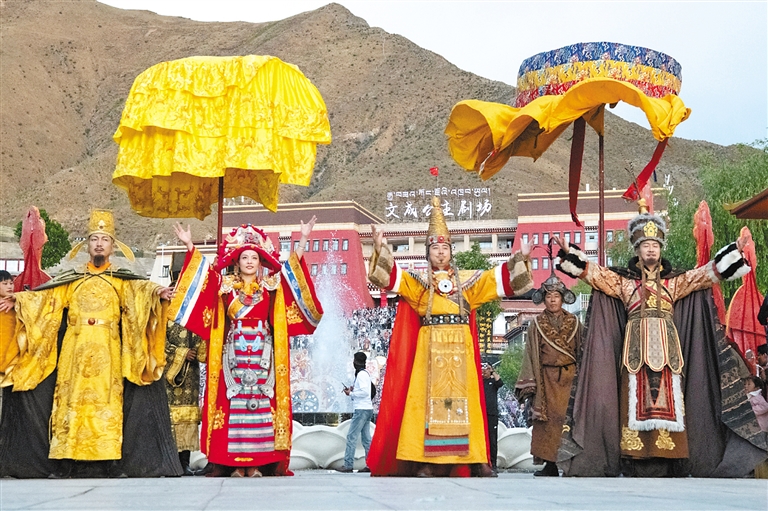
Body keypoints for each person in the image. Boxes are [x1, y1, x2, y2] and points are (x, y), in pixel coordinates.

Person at [555, 199, 767, 477]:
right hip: (634, 352)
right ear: (637, 249)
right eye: (645, 245)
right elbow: (595, 274)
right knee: (632, 397)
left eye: (655, 245)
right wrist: (571, 255)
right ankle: (633, 457)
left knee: (671, 396)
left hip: (669, 353)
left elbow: (705, 275)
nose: (651, 249)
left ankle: (670, 457)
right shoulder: (624, 283)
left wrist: (733, 253)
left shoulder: (674, 283)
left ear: (661, 248)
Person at [0, 209, 180, 478]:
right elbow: (46, 299)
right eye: (94, 239)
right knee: (71, 402)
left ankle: (108, 460)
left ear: (112, 246)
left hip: (109, 349)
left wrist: (158, 293)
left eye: (104, 240)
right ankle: (68, 460)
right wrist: (20, 300)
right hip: (74, 350)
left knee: (107, 401)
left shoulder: (121, 279)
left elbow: (141, 291)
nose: (99, 244)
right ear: (86, 245)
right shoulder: (72, 278)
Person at [366, 196, 533, 477]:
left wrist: (520, 258)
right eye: (435, 248)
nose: (441, 253)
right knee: (425, 404)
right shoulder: (419, 282)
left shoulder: (468, 281)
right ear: (427, 253)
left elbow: (496, 281)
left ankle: (476, 458)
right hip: (429, 350)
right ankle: (427, 461)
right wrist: (380, 247)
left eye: (445, 248)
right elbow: (390, 278)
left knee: (468, 404)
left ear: (451, 251)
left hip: (460, 348)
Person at [170, 218, 322, 477]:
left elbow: (291, 273)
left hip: (263, 353)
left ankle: (256, 463)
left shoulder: (271, 286)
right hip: (233, 355)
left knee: (260, 403)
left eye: (254, 257)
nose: (249, 261)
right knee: (234, 404)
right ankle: (236, 464)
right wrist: (189, 246)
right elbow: (204, 276)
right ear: (237, 261)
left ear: (260, 261)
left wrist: (304, 239)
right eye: (244, 257)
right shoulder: (225, 286)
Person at [515, 273, 582, 477]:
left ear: (563, 299)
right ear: (544, 300)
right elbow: (530, 354)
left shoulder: (575, 322)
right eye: (549, 296)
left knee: (571, 421)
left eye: (556, 296)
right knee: (548, 422)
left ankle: (572, 464)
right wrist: (530, 383)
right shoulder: (537, 324)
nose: (553, 300)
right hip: (546, 379)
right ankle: (550, 464)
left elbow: (583, 351)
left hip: (571, 378)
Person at [164, 319, 204, 475]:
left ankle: (184, 462)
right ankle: (170, 461)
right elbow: (158, 340)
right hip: (167, 373)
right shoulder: (164, 310)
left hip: (190, 375)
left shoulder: (191, 312)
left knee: (188, 417)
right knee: (169, 417)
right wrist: (181, 353)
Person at [337, 351, 374, 473]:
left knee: (351, 436)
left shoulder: (361, 375)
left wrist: (351, 393)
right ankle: (370, 464)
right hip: (367, 409)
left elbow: (364, 392)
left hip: (361, 409)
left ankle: (348, 465)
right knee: (366, 439)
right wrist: (353, 389)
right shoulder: (364, 374)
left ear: (356, 362)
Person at [482, 362, 504, 473]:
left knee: (492, 439)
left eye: (486, 368)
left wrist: (493, 371)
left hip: (492, 414)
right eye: (482, 368)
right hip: (481, 414)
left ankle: (493, 464)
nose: (484, 371)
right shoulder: (479, 382)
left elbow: (500, 383)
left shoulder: (493, 382)